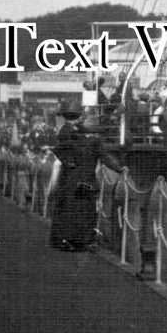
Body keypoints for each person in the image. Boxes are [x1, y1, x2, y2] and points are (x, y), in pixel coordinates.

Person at [49, 105, 119, 251]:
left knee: (72, 210)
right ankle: (79, 240)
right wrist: (119, 169)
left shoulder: (72, 135)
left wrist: (70, 162)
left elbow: (60, 148)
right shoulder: (93, 142)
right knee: (84, 211)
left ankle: (70, 239)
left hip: (71, 178)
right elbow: (105, 158)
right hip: (85, 179)